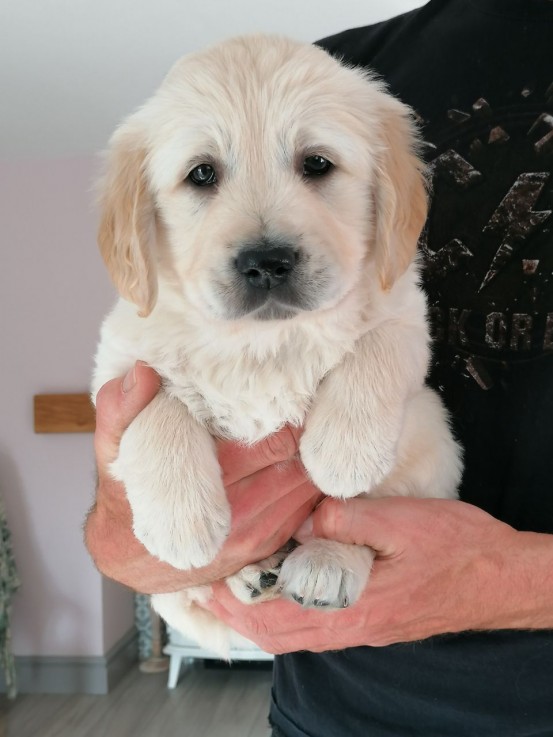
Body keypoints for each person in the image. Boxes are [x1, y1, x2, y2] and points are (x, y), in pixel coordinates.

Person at [85, 0, 553, 734]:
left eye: (316, 167)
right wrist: (134, 516)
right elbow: (122, 537)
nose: (267, 240)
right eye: (202, 175)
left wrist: (511, 579)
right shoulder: (341, 67)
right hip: (330, 714)